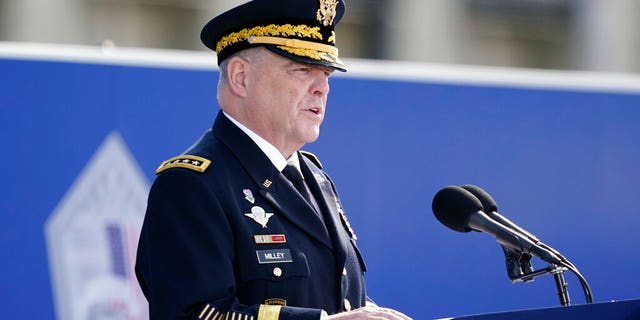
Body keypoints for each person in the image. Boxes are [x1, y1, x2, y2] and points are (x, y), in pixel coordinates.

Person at [135, 0, 412, 319]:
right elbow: (193, 314)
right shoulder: (191, 185)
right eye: (302, 69)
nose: (322, 88)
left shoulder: (313, 177)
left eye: (325, 73)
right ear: (241, 77)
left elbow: (333, 298)